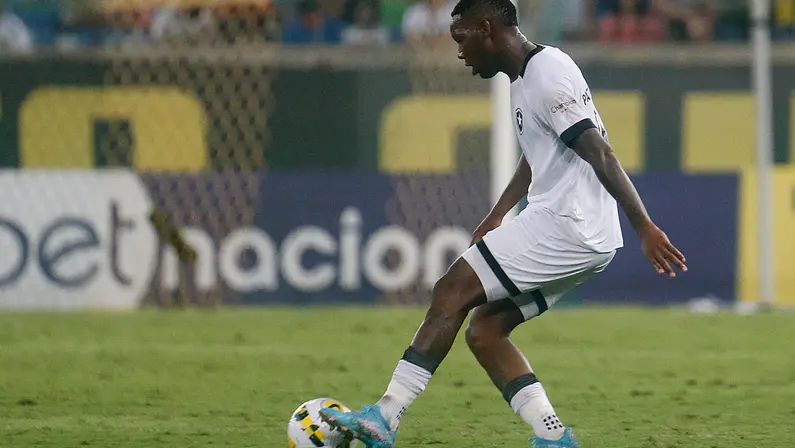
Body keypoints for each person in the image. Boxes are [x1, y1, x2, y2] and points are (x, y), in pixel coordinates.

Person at [319, 0, 688, 446]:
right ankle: (553, 437)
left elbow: (601, 153)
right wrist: (498, 213)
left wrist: (645, 226)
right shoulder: (527, 75)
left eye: (462, 39)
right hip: (589, 235)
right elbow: (539, 153)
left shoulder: (547, 78)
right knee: (486, 330)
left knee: (451, 291)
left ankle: (385, 416)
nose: (459, 52)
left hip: (567, 225)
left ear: (487, 29)